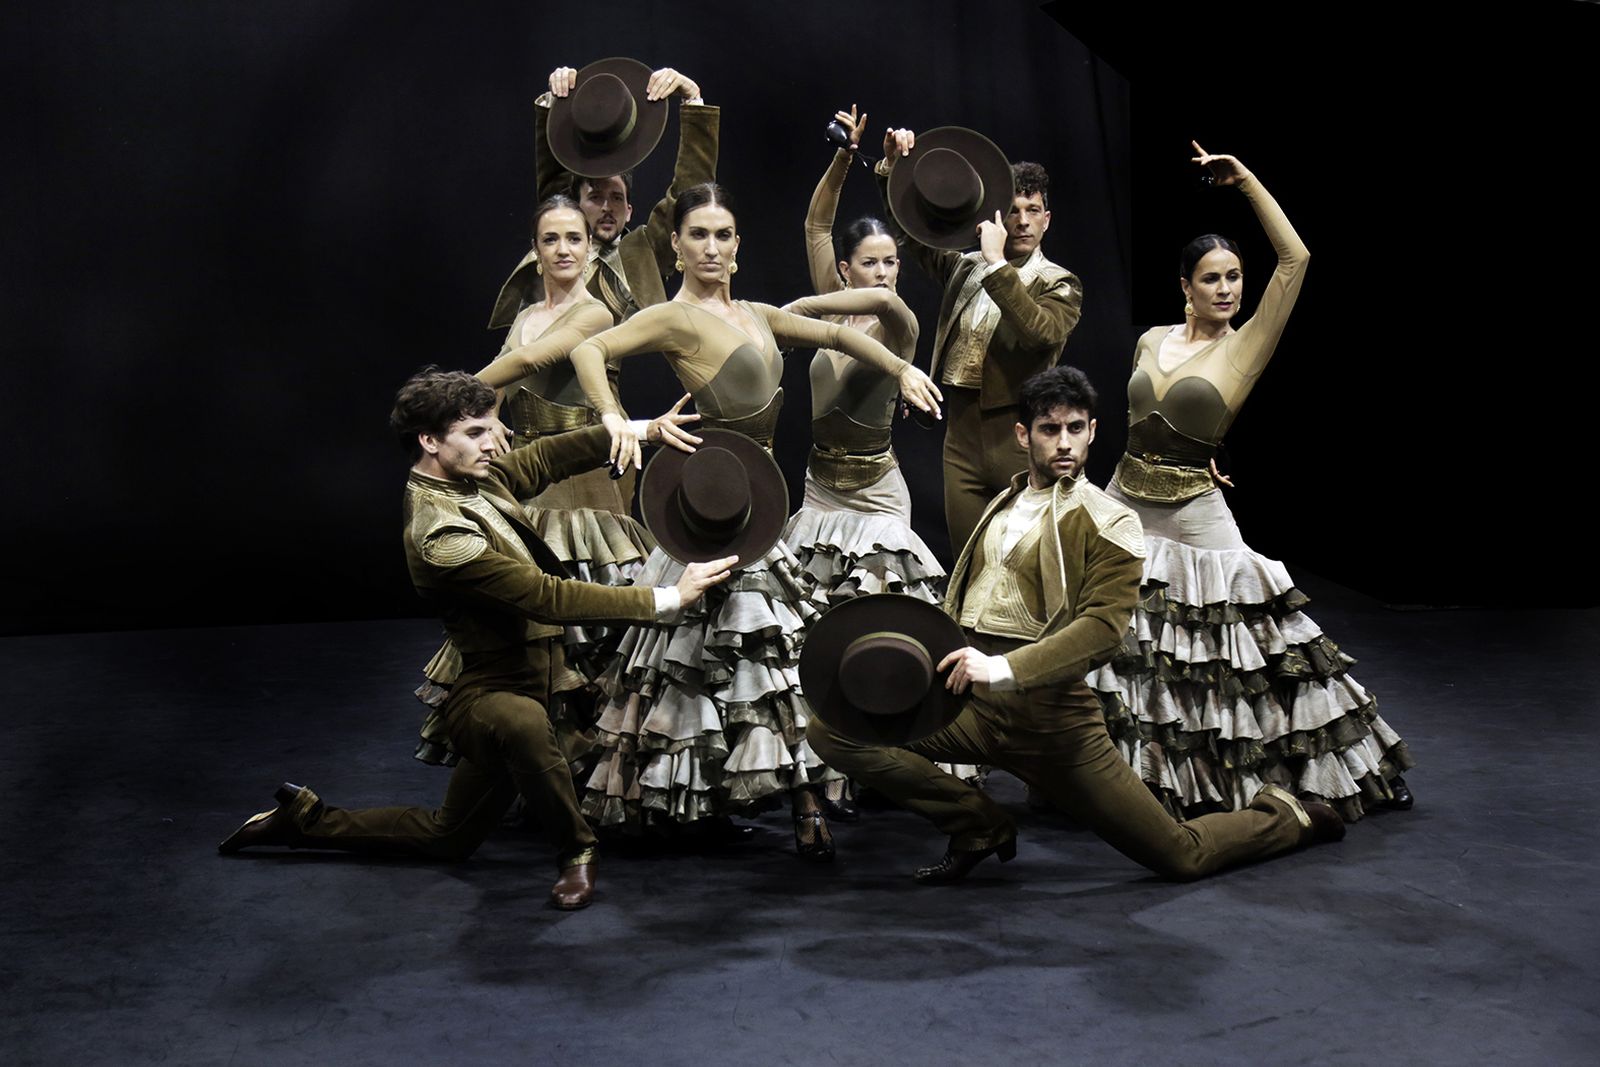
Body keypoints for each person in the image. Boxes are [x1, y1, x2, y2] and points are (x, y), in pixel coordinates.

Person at [219, 369, 735, 910]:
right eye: (475, 432)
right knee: (522, 722)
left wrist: (637, 431)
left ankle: (303, 819)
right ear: (429, 440)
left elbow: (541, 461)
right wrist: (669, 598)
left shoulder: (469, 477)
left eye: (493, 427)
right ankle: (578, 853)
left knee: (449, 838)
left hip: (552, 676)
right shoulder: (438, 533)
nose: (495, 442)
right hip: (494, 690)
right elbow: (545, 598)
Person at [807, 366, 1345, 884]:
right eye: (1049, 429)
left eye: (1074, 428)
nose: (1063, 442)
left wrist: (1002, 668)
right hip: (970, 707)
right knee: (833, 732)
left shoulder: (1110, 520)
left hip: (1054, 724)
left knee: (1181, 856)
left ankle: (1287, 815)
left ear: (1091, 433)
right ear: (1024, 435)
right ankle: (978, 826)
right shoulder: (1004, 501)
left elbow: (1103, 630)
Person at [562, 182, 943, 859]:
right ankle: (739, 803)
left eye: (723, 234)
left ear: (738, 246)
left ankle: (800, 800)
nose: (712, 246)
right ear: (676, 245)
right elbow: (589, 352)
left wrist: (901, 368)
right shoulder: (673, 317)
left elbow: (834, 333)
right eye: (699, 234)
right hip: (706, 502)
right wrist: (618, 418)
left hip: (761, 503)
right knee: (699, 658)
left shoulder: (758, 314)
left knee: (769, 655)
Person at [1086, 144, 1414, 821]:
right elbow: (1145, 417)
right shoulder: (1150, 340)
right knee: (1127, 646)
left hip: (1191, 511)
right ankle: (1127, 775)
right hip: (1124, 501)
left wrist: (1248, 183)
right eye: (1213, 278)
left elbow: (1296, 260)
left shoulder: (1247, 342)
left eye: (1235, 276)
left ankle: (1347, 766)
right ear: (1186, 285)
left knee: (1246, 640)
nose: (1228, 288)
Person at [411, 195, 676, 767]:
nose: (563, 249)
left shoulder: (596, 312)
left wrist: (445, 407)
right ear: (534, 252)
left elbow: (531, 364)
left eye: (574, 239)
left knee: (590, 610)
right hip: (529, 482)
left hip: (586, 475)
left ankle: (604, 764)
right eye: (551, 239)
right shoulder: (526, 316)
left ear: (589, 250)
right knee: (534, 617)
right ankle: (543, 756)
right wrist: (487, 421)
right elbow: (508, 378)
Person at [781, 105, 977, 810]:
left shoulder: (901, 323)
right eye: (873, 263)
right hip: (820, 489)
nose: (888, 274)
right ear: (846, 267)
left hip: (877, 495)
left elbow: (882, 316)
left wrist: (791, 311)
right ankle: (823, 769)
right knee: (809, 627)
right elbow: (814, 226)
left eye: (894, 262)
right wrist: (845, 159)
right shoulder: (831, 313)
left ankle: (897, 747)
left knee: (883, 623)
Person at [875, 126, 1084, 553]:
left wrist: (995, 263)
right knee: (968, 561)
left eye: (1033, 210)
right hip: (962, 434)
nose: (1022, 221)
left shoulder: (1060, 282)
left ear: (1047, 219)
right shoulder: (966, 267)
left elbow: (1039, 332)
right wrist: (893, 169)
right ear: (997, 216)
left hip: (1021, 433)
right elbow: (915, 233)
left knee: (1023, 561)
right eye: (1013, 209)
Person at [486, 63, 719, 330]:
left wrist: (694, 102)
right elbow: (552, 181)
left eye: (617, 198)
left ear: (630, 210)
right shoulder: (561, 249)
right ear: (575, 208)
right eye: (596, 197)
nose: (608, 207)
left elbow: (689, 197)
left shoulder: (645, 251)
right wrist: (556, 105)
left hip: (628, 368)